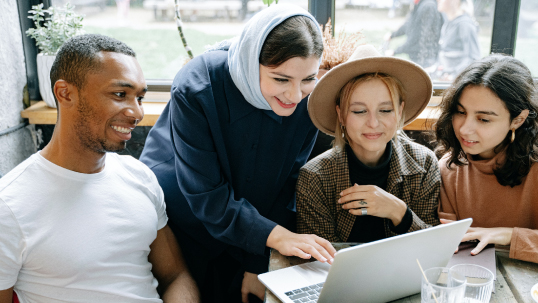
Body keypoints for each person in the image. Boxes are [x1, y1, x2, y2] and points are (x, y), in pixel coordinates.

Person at [139, 4, 336, 303]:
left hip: (251, 229)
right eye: (281, 79)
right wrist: (276, 238)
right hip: (181, 221)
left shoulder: (306, 101)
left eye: (307, 79)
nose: (295, 95)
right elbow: (205, 195)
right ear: (250, 59)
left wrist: (257, 263)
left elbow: (288, 184)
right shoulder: (196, 87)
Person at [0, 34, 199, 303]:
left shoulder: (139, 176)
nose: (137, 112)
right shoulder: (9, 206)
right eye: (120, 95)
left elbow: (176, 276)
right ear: (65, 93)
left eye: (139, 97)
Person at [297, 44, 441, 243]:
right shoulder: (314, 178)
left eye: (385, 110)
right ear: (341, 114)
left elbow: (434, 246)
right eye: (359, 111)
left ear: (400, 111)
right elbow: (320, 261)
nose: (373, 123)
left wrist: (399, 212)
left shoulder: (424, 164)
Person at [435, 54, 538, 264]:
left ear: (517, 120)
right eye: (460, 112)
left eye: (483, 119)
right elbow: (448, 246)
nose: (464, 128)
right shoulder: (449, 167)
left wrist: (507, 235)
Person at [430, 0, 480, 81]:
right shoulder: (448, 24)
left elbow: (473, 58)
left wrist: (454, 76)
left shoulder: (465, 25)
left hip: (457, 82)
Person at [384, 0, 443, 68]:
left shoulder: (428, 6)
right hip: (419, 57)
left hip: (425, 58)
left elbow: (418, 37)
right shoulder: (419, 4)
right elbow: (409, 25)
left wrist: (395, 51)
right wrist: (392, 35)